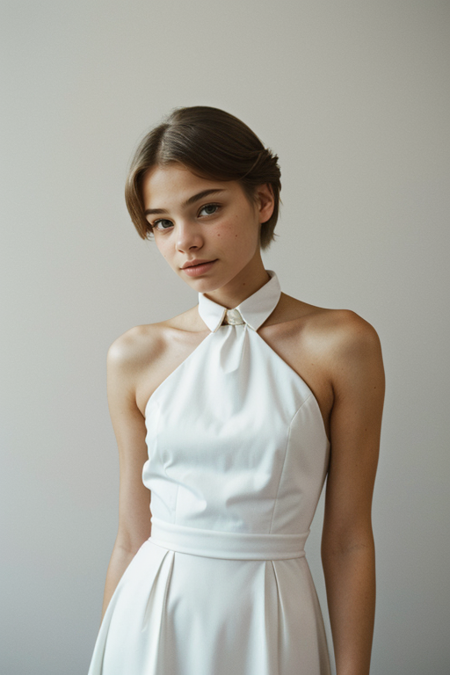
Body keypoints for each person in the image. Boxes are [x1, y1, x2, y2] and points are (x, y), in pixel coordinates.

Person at [87, 106, 385, 675]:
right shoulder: (135, 355)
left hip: (271, 618)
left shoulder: (342, 344)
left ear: (263, 201)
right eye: (162, 223)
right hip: (150, 621)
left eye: (208, 208)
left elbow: (348, 540)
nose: (186, 242)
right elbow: (130, 538)